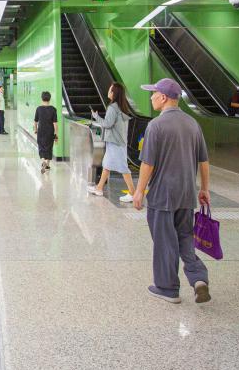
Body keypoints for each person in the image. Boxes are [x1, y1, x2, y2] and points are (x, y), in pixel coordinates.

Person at [133, 77, 211, 305]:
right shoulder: (192, 124)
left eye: (154, 93)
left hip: (162, 195)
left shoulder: (156, 126)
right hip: (186, 193)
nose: (151, 97)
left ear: (163, 97)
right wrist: (204, 189)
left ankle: (167, 288)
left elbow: (148, 163)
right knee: (185, 237)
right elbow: (204, 161)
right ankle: (199, 278)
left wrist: (139, 191)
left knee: (164, 241)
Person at [89, 83, 136, 202]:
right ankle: (99, 188)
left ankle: (133, 193)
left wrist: (96, 116)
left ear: (114, 93)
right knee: (107, 165)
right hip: (117, 141)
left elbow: (107, 124)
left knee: (123, 167)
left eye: (110, 89)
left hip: (115, 142)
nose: (108, 91)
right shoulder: (122, 107)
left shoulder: (113, 108)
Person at [34, 91, 58, 172]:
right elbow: (55, 124)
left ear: (42, 98)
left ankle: (43, 160)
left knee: (41, 147)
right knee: (49, 148)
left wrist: (35, 130)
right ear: (49, 99)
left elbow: (35, 122)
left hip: (41, 131)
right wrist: (56, 135)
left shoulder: (38, 109)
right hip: (50, 132)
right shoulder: (53, 109)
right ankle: (47, 165)